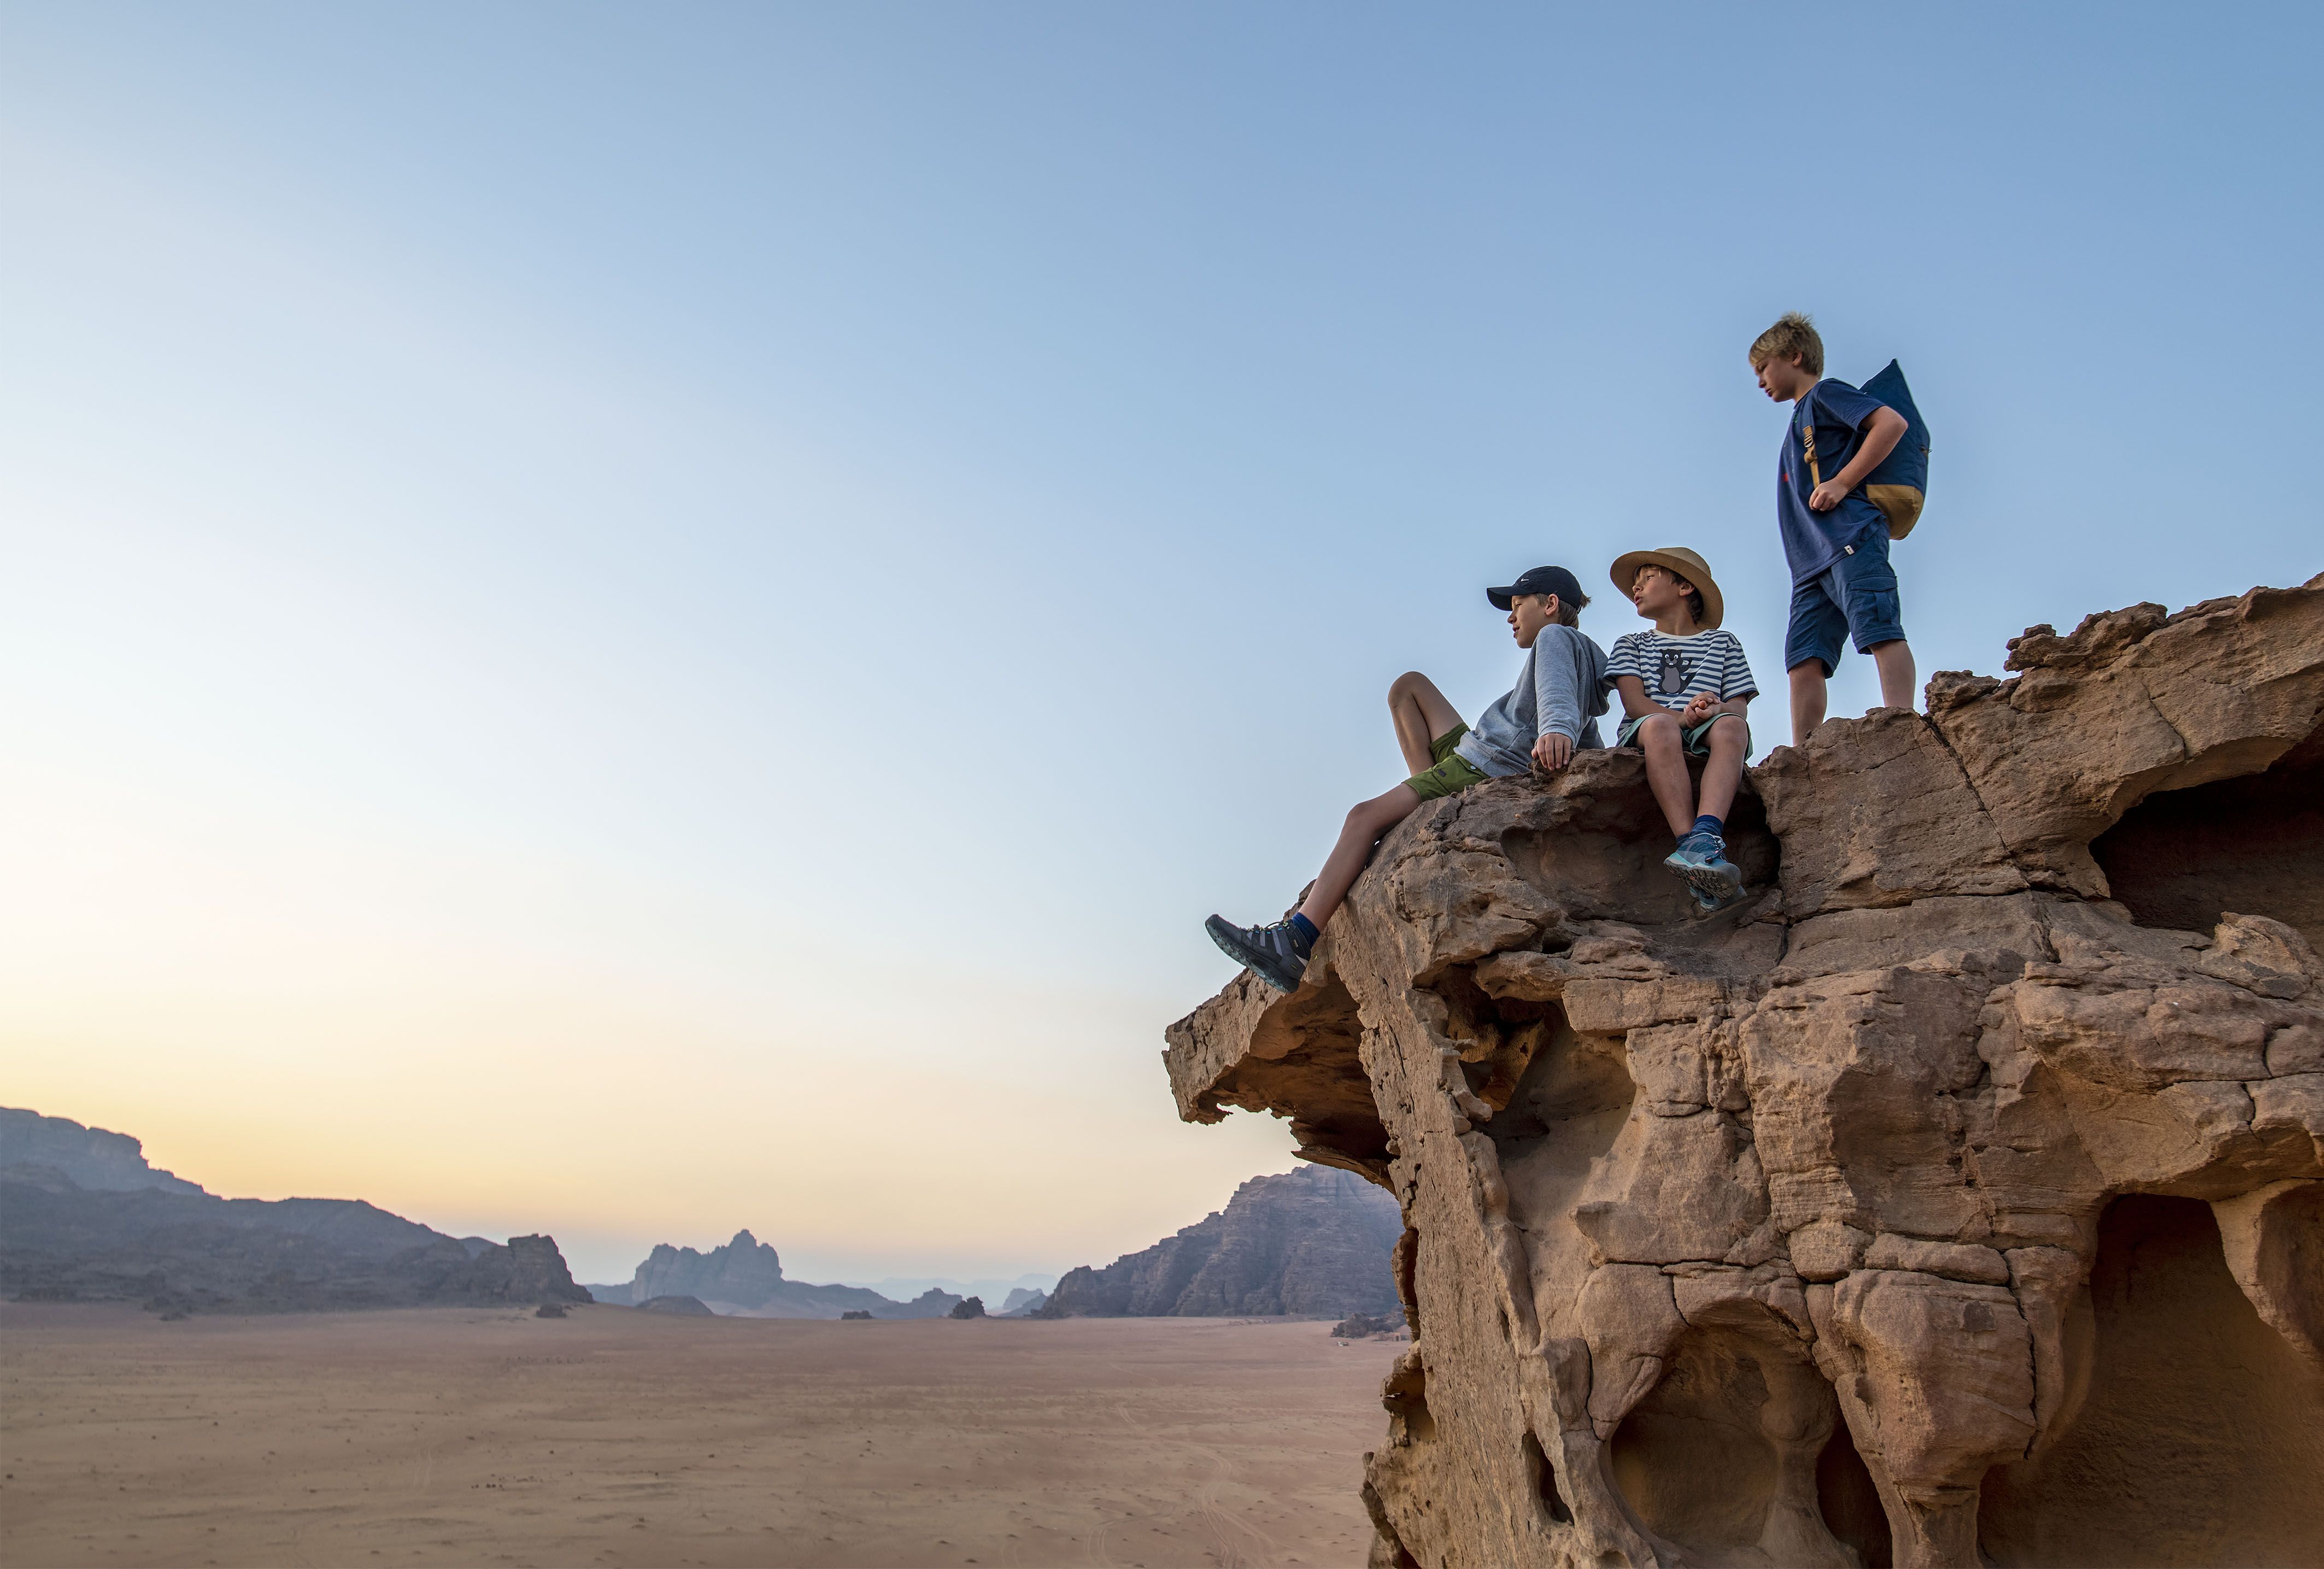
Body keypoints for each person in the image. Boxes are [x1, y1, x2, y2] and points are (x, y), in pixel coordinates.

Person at [1205, 565, 1610, 993]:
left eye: (1517, 606)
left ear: (1549, 605)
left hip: (1484, 765)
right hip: (1476, 751)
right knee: (1408, 686)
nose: (1511, 618)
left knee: (1362, 818)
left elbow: (1559, 704)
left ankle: (1295, 941)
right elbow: (1588, 735)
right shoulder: (1577, 655)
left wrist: (1555, 731)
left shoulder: (1553, 639)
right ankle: (1427, 799)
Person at [1750, 312, 1916, 745]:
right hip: (1809, 564)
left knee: (1878, 625)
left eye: (1764, 367)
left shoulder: (1826, 394)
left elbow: (1891, 423)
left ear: (1795, 356)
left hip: (1849, 538)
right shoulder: (1797, 420)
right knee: (1803, 658)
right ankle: (1804, 751)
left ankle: (1903, 722)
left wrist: (1843, 482)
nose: (1761, 380)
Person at [1604, 547, 1757, 911]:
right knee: (1660, 727)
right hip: (1652, 727)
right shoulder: (1631, 644)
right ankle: (1689, 842)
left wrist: (1715, 708)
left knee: (1733, 727)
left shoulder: (1724, 643)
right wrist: (1681, 718)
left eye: (1648, 579)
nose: (1636, 589)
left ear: (1685, 586)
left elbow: (1738, 705)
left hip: (1705, 727)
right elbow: (1634, 703)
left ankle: (1704, 836)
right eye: (1635, 584)